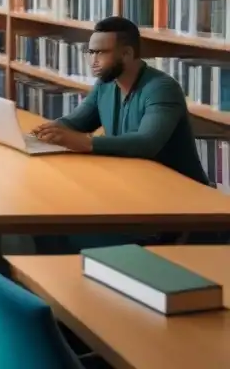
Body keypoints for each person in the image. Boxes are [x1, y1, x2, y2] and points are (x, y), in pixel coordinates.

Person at [30, 17, 213, 253]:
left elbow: (147, 143)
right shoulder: (107, 84)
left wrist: (85, 143)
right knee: (49, 213)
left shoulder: (161, 88)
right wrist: (43, 133)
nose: (92, 61)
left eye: (100, 53)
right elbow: (76, 122)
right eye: (90, 52)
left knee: (62, 225)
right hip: (132, 191)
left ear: (126, 54)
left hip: (174, 206)